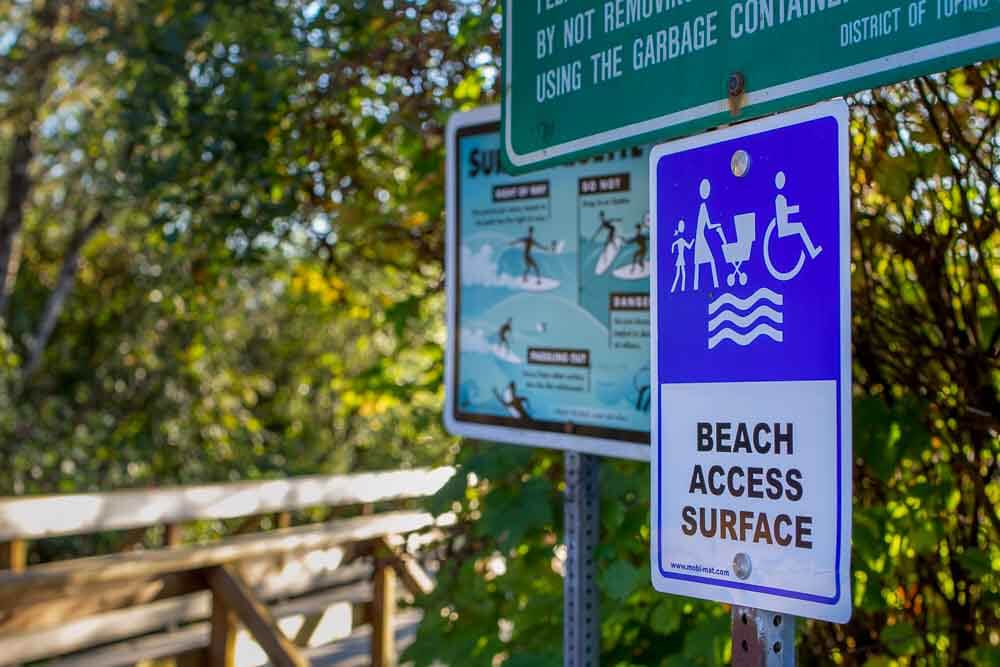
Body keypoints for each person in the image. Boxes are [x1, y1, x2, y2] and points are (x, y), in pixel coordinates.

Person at [774, 171, 822, 259]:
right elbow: (782, 212)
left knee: (799, 227)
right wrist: (796, 209)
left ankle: (812, 251)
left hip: (784, 225)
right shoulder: (779, 198)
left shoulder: (780, 197)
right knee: (800, 227)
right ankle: (812, 251)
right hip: (783, 227)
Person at [693, 178, 720, 291]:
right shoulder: (703, 207)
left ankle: (695, 285)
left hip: (700, 237)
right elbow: (708, 225)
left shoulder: (702, 207)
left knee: (699, 264)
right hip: (701, 238)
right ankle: (716, 284)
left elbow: (705, 225)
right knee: (711, 261)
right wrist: (717, 226)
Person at [670, 219, 694, 292]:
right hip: (680, 258)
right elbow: (689, 247)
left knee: (680, 274)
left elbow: (674, 244)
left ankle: (677, 288)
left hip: (680, 258)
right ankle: (678, 288)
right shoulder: (681, 240)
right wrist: (693, 241)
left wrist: (673, 249)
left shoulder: (681, 240)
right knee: (681, 274)